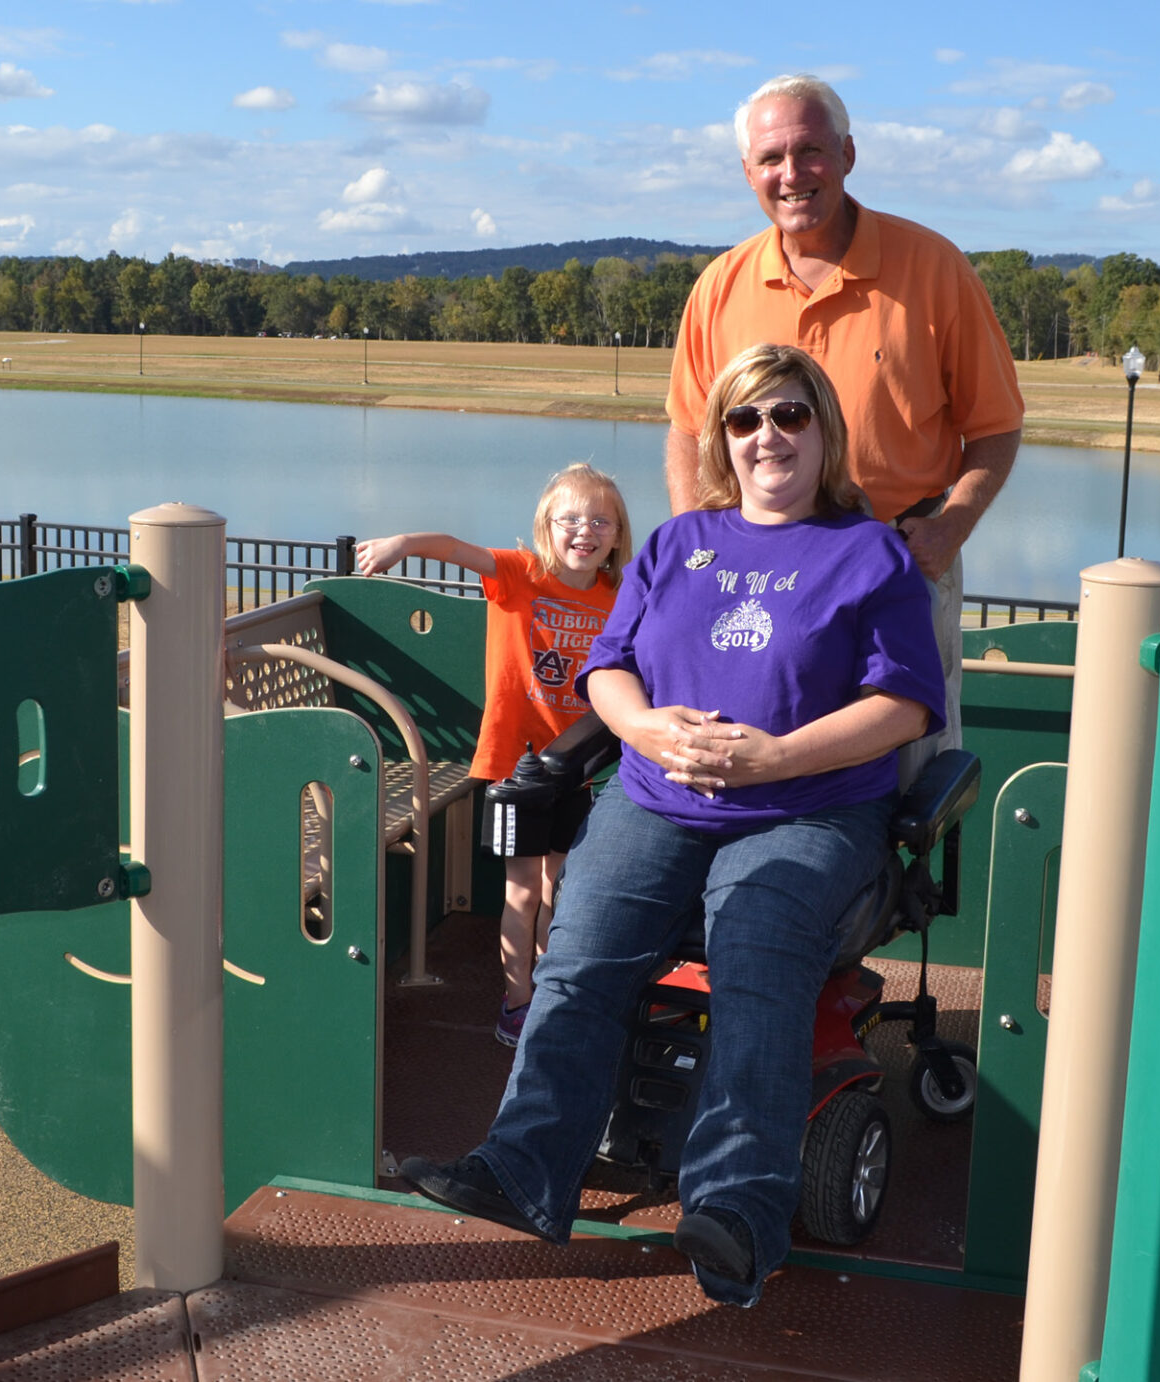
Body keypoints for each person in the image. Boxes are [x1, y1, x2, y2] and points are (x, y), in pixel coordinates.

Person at [400, 344, 942, 1308]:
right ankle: (525, 1170)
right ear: (719, 441)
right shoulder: (675, 545)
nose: (767, 436)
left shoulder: (871, 554)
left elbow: (902, 705)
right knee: (583, 955)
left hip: (806, 808)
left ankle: (738, 1212)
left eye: (788, 416)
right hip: (660, 793)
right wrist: (644, 725)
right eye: (745, 420)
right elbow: (608, 666)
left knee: (756, 956)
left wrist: (772, 757)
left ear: (824, 430)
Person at [664, 73, 1022, 779]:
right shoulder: (720, 286)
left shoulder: (934, 268)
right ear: (748, 173)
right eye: (770, 159)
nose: (791, 174)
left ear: (849, 154)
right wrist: (697, 548)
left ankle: (904, 893)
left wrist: (950, 527)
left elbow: (997, 425)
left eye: (811, 151)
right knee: (763, 758)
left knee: (907, 771)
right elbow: (685, 431)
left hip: (898, 561)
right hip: (755, 576)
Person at [354, 464, 632, 1046]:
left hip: (576, 770)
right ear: (546, 528)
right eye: (571, 519)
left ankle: (550, 990)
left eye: (600, 521)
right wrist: (404, 544)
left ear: (616, 534)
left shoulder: (618, 595)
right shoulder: (519, 573)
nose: (585, 531)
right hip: (516, 767)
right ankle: (517, 1002)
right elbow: (456, 549)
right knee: (523, 891)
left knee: (562, 888)